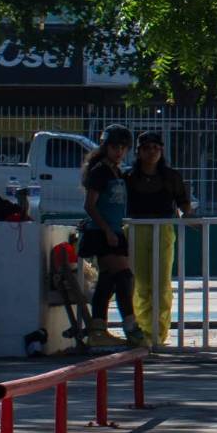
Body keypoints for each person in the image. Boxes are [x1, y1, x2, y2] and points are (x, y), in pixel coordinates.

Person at [125, 130, 193, 352]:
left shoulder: (171, 176)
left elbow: (183, 203)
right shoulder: (128, 177)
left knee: (161, 284)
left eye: (156, 148)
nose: (152, 152)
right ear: (139, 152)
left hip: (163, 230)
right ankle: (143, 332)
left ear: (162, 151)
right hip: (135, 231)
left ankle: (159, 333)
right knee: (140, 284)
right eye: (146, 148)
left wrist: (189, 217)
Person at [79, 125, 138, 348]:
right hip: (102, 233)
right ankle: (131, 326)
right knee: (124, 276)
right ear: (105, 147)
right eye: (114, 147)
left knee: (107, 280)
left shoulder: (117, 171)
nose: (119, 151)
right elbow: (89, 205)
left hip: (115, 231)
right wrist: (106, 230)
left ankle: (98, 329)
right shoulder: (100, 171)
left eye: (123, 147)